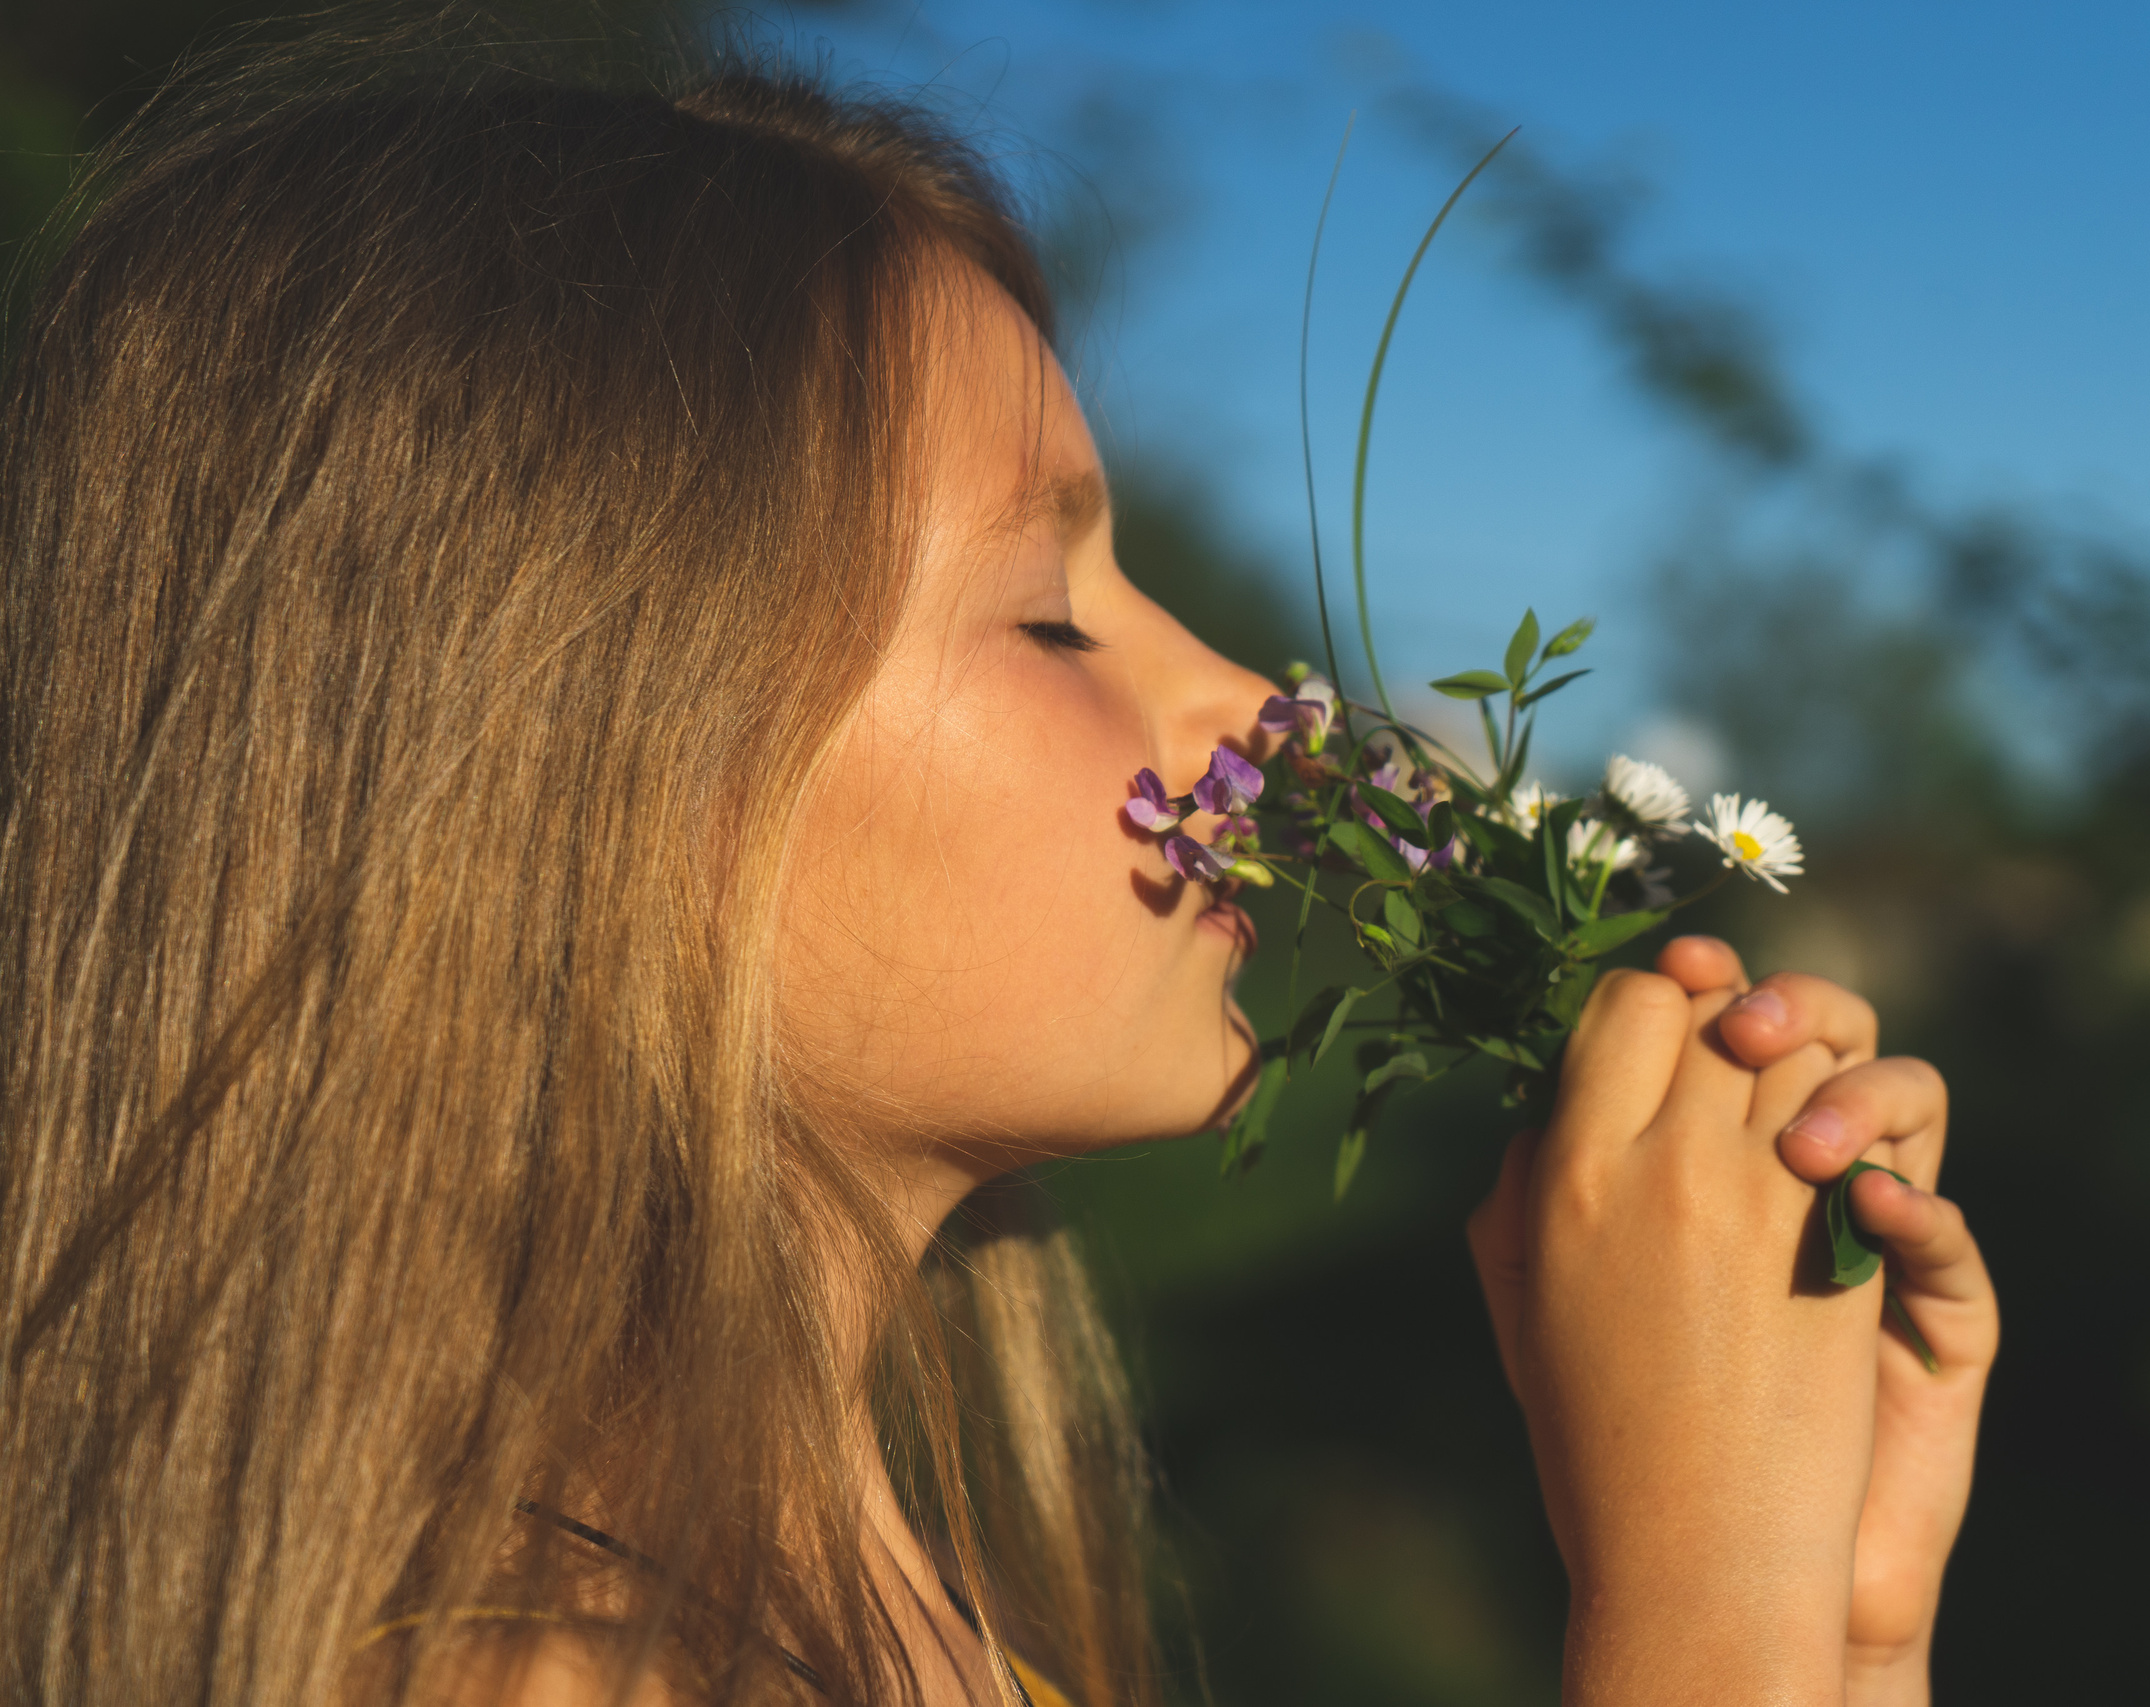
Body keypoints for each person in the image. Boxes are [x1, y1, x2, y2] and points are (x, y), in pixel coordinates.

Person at [0, 21, 1997, 1706]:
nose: (1257, 702)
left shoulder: (889, 1620)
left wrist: (1834, 1619)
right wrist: (1696, 1615)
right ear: (578, 767)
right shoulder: (504, 1663)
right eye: (1049, 613)